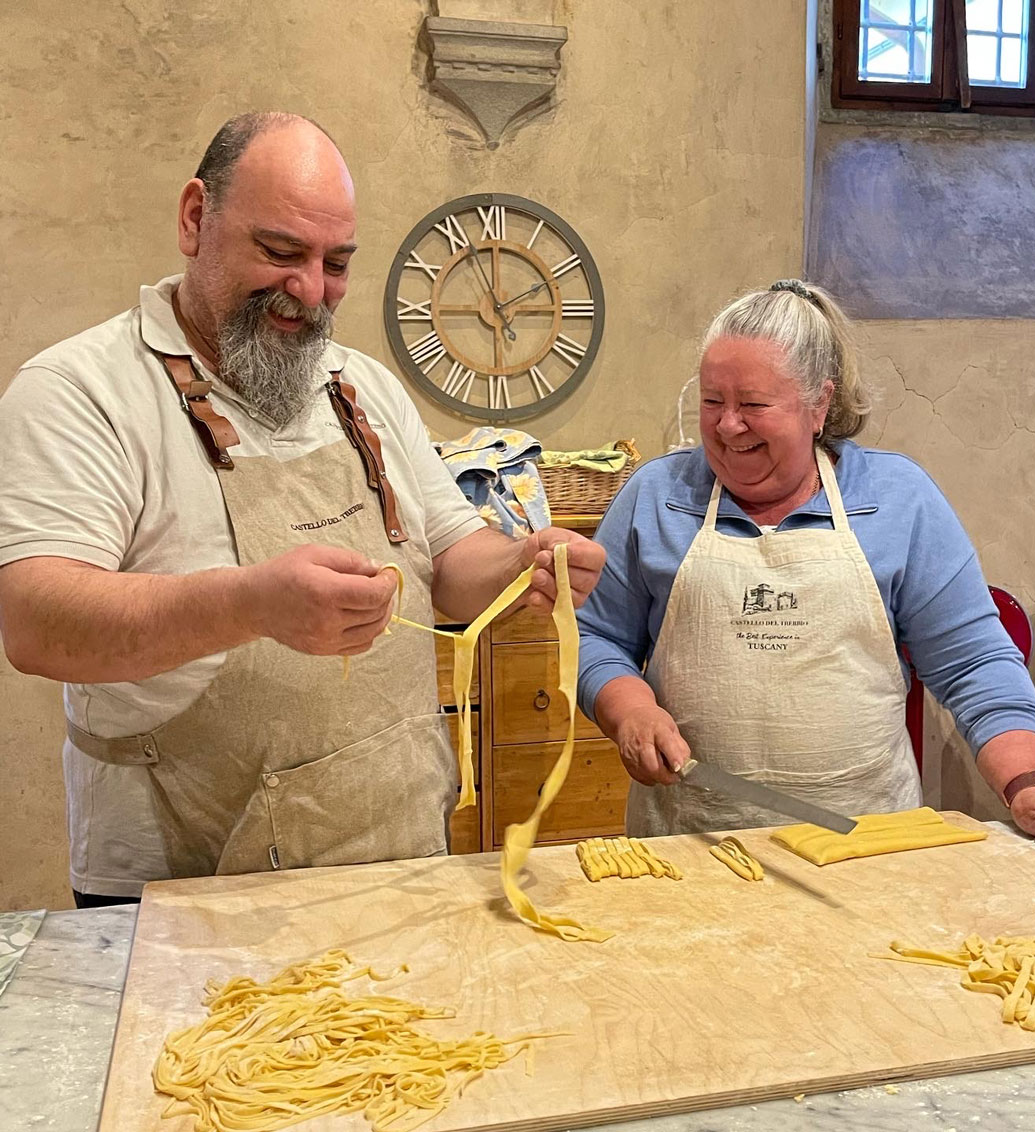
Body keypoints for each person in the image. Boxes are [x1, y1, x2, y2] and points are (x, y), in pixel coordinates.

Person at [0, 112, 605, 906]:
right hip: (186, 887)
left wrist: (520, 564)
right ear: (194, 218)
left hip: (391, 858)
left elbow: (451, 562)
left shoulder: (365, 386)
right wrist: (252, 603)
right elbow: (37, 623)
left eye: (337, 263)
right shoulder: (82, 392)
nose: (310, 291)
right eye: (280, 252)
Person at [576, 280, 1035, 859]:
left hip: (867, 849)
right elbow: (597, 637)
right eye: (713, 401)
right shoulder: (656, 497)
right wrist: (628, 709)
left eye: (754, 405)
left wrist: (1028, 784)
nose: (728, 426)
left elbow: (974, 662)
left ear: (819, 405)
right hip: (689, 845)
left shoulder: (898, 499)